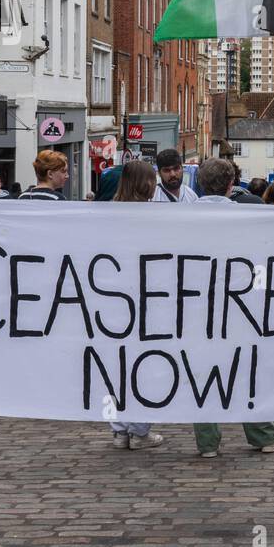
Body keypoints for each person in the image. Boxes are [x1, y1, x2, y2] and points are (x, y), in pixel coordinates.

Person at [190, 158, 274, 457]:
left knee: (202, 372)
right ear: (231, 184)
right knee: (245, 369)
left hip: (197, 304)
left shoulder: (184, 216)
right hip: (239, 303)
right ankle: (262, 435)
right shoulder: (245, 215)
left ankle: (207, 443)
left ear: (201, 184)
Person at [104, 161, 166, 450]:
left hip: (113, 300)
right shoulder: (154, 216)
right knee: (147, 365)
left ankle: (119, 431)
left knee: (116, 366)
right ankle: (140, 430)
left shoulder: (108, 214)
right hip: (147, 299)